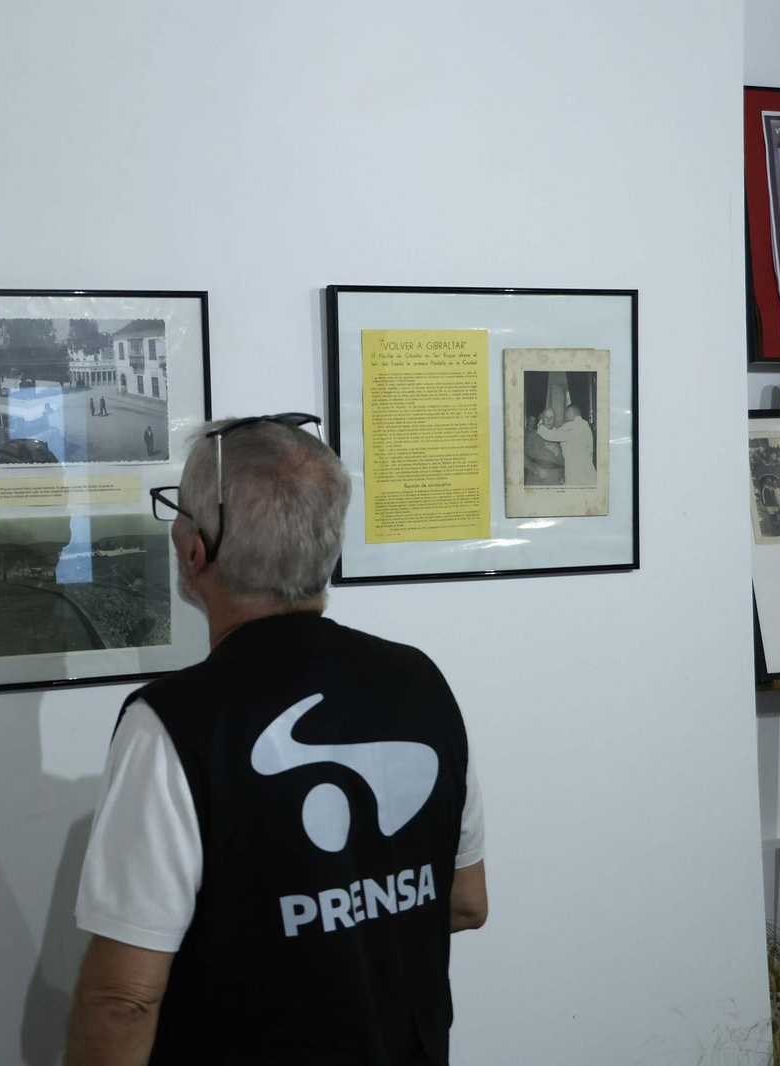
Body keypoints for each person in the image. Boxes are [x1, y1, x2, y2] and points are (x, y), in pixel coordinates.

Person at [67, 416, 486, 1066]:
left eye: (179, 508)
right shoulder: (421, 682)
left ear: (195, 549)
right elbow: (464, 901)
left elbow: (123, 997)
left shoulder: (171, 723)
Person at [535, 403, 595, 486]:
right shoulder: (585, 425)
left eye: (565, 414)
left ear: (570, 413)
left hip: (576, 476)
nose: (564, 417)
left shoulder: (571, 425)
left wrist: (540, 425)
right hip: (589, 474)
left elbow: (550, 435)